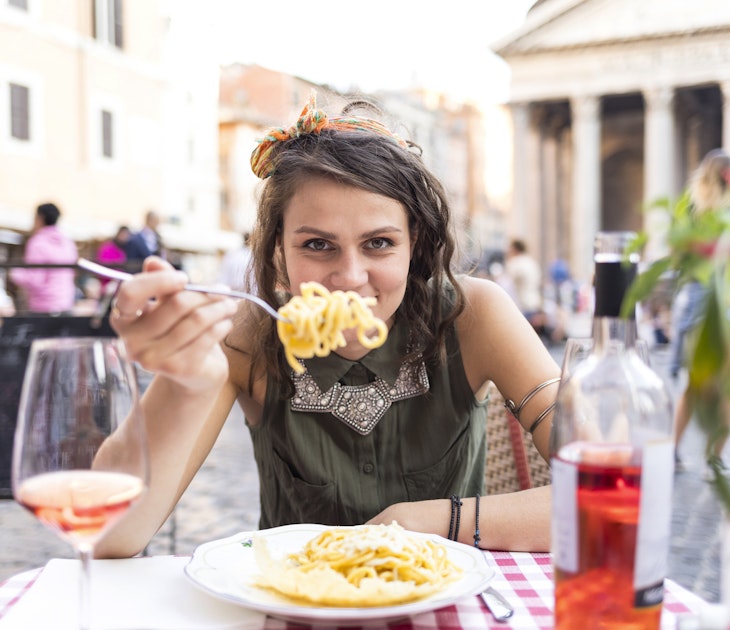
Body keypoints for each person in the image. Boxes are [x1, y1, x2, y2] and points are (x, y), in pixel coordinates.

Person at [96, 94, 559, 559]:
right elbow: (109, 533)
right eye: (318, 245)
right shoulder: (247, 334)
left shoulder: (475, 315)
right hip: (295, 605)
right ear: (279, 247)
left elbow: (613, 493)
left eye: (379, 243)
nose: (350, 277)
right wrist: (185, 383)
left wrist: (434, 520)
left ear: (414, 243)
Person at [671, 148, 730, 476]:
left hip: (694, 299)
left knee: (695, 388)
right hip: (715, 300)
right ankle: (713, 457)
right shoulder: (718, 213)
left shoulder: (688, 207)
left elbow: (677, 254)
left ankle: (674, 451)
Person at [9, 202, 78, 314]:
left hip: (43, 307)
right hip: (66, 304)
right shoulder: (68, 242)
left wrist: (15, 273)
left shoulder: (38, 242)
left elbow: (35, 279)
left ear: (40, 218)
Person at [504, 238, 545, 335]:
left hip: (522, 307)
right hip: (534, 305)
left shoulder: (515, 263)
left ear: (514, 249)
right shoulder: (532, 262)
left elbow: (504, 284)